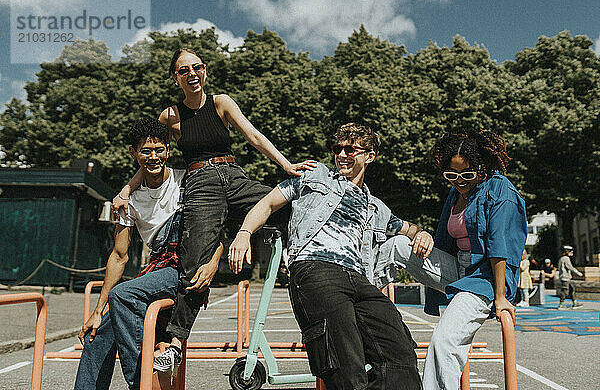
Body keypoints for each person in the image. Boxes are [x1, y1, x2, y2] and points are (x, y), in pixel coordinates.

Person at [114, 48, 316, 371]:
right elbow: (152, 153)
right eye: (184, 70)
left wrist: (286, 164)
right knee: (194, 261)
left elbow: (252, 135)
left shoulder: (221, 102)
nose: (192, 73)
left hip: (233, 176)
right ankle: (176, 343)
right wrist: (126, 189)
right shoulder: (170, 116)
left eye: (197, 67)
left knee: (295, 206)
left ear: (204, 71)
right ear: (176, 77)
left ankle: (299, 269)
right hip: (200, 183)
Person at [229, 123, 424, 389]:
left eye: (350, 149)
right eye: (337, 149)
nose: (342, 155)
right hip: (316, 268)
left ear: (370, 156)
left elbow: (407, 229)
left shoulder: (375, 206)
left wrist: (421, 234)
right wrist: (243, 233)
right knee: (345, 361)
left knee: (399, 350)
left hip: (359, 278)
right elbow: (268, 203)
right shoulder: (313, 175)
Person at [74, 119, 223, 389]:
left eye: (159, 150)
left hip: (185, 266)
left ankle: (141, 383)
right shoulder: (128, 200)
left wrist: (213, 264)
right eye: (145, 151)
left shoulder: (187, 180)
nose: (153, 157)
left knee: (124, 293)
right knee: (98, 333)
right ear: (134, 153)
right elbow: (119, 256)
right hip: (158, 269)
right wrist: (97, 310)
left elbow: (215, 230)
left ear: (168, 150)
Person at [384, 130, 527, 390]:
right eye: (452, 175)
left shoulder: (500, 190)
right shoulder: (456, 194)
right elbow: (444, 238)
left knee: (444, 341)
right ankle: (354, 294)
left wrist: (500, 297)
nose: (459, 181)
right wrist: (424, 238)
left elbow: (499, 246)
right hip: (457, 269)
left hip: (485, 279)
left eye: (467, 175)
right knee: (399, 245)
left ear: (481, 167)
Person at [557, 245, 584, 309]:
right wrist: (578, 273)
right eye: (571, 251)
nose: (572, 253)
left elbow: (565, 268)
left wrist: (569, 275)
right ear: (567, 252)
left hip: (566, 277)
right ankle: (561, 304)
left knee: (571, 289)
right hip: (565, 278)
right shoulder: (566, 258)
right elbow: (570, 267)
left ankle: (575, 303)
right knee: (565, 291)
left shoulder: (561, 258)